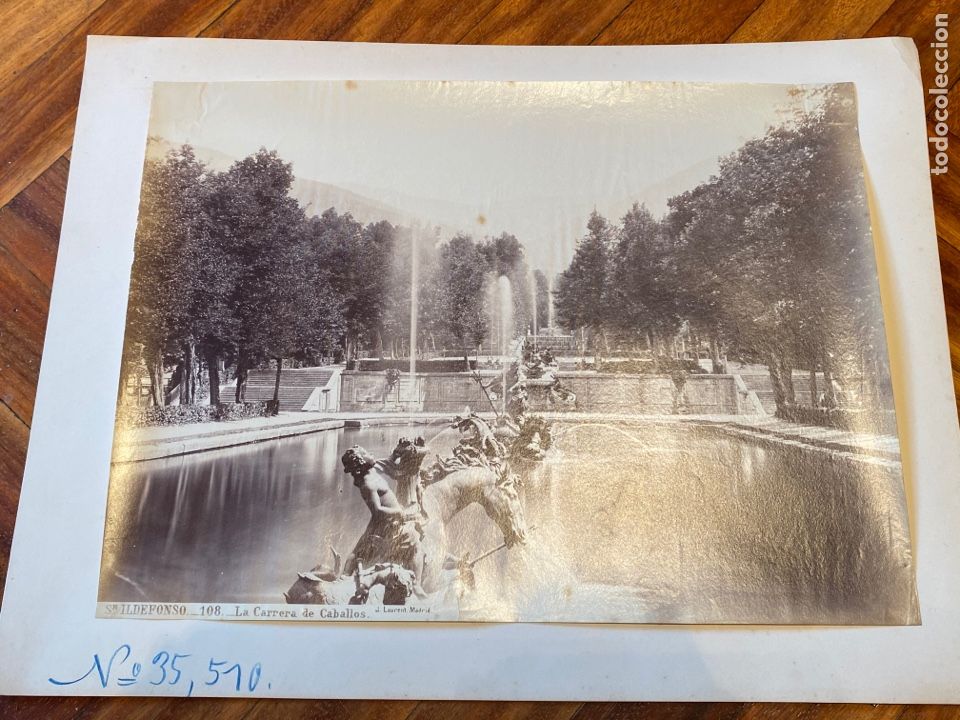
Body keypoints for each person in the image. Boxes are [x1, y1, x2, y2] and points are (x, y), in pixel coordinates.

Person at [341, 445, 427, 598]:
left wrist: (395, 454)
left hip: (385, 521)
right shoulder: (368, 484)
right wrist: (399, 512)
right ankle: (417, 585)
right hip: (387, 523)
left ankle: (345, 575)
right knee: (415, 543)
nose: (371, 452)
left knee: (359, 548)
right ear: (361, 461)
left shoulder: (372, 471)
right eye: (367, 452)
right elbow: (377, 510)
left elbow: (387, 463)